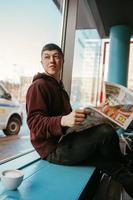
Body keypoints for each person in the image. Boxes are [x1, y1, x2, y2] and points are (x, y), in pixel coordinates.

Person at [26, 43, 133, 198]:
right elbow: (34, 124)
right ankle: (125, 164)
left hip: (67, 140)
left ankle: (125, 167)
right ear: (41, 62)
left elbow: (69, 121)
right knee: (105, 132)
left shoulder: (60, 89)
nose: (52, 60)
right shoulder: (38, 86)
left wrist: (94, 114)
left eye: (56, 56)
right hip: (53, 150)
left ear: (62, 61)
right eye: (47, 57)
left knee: (112, 164)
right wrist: (63, 120)